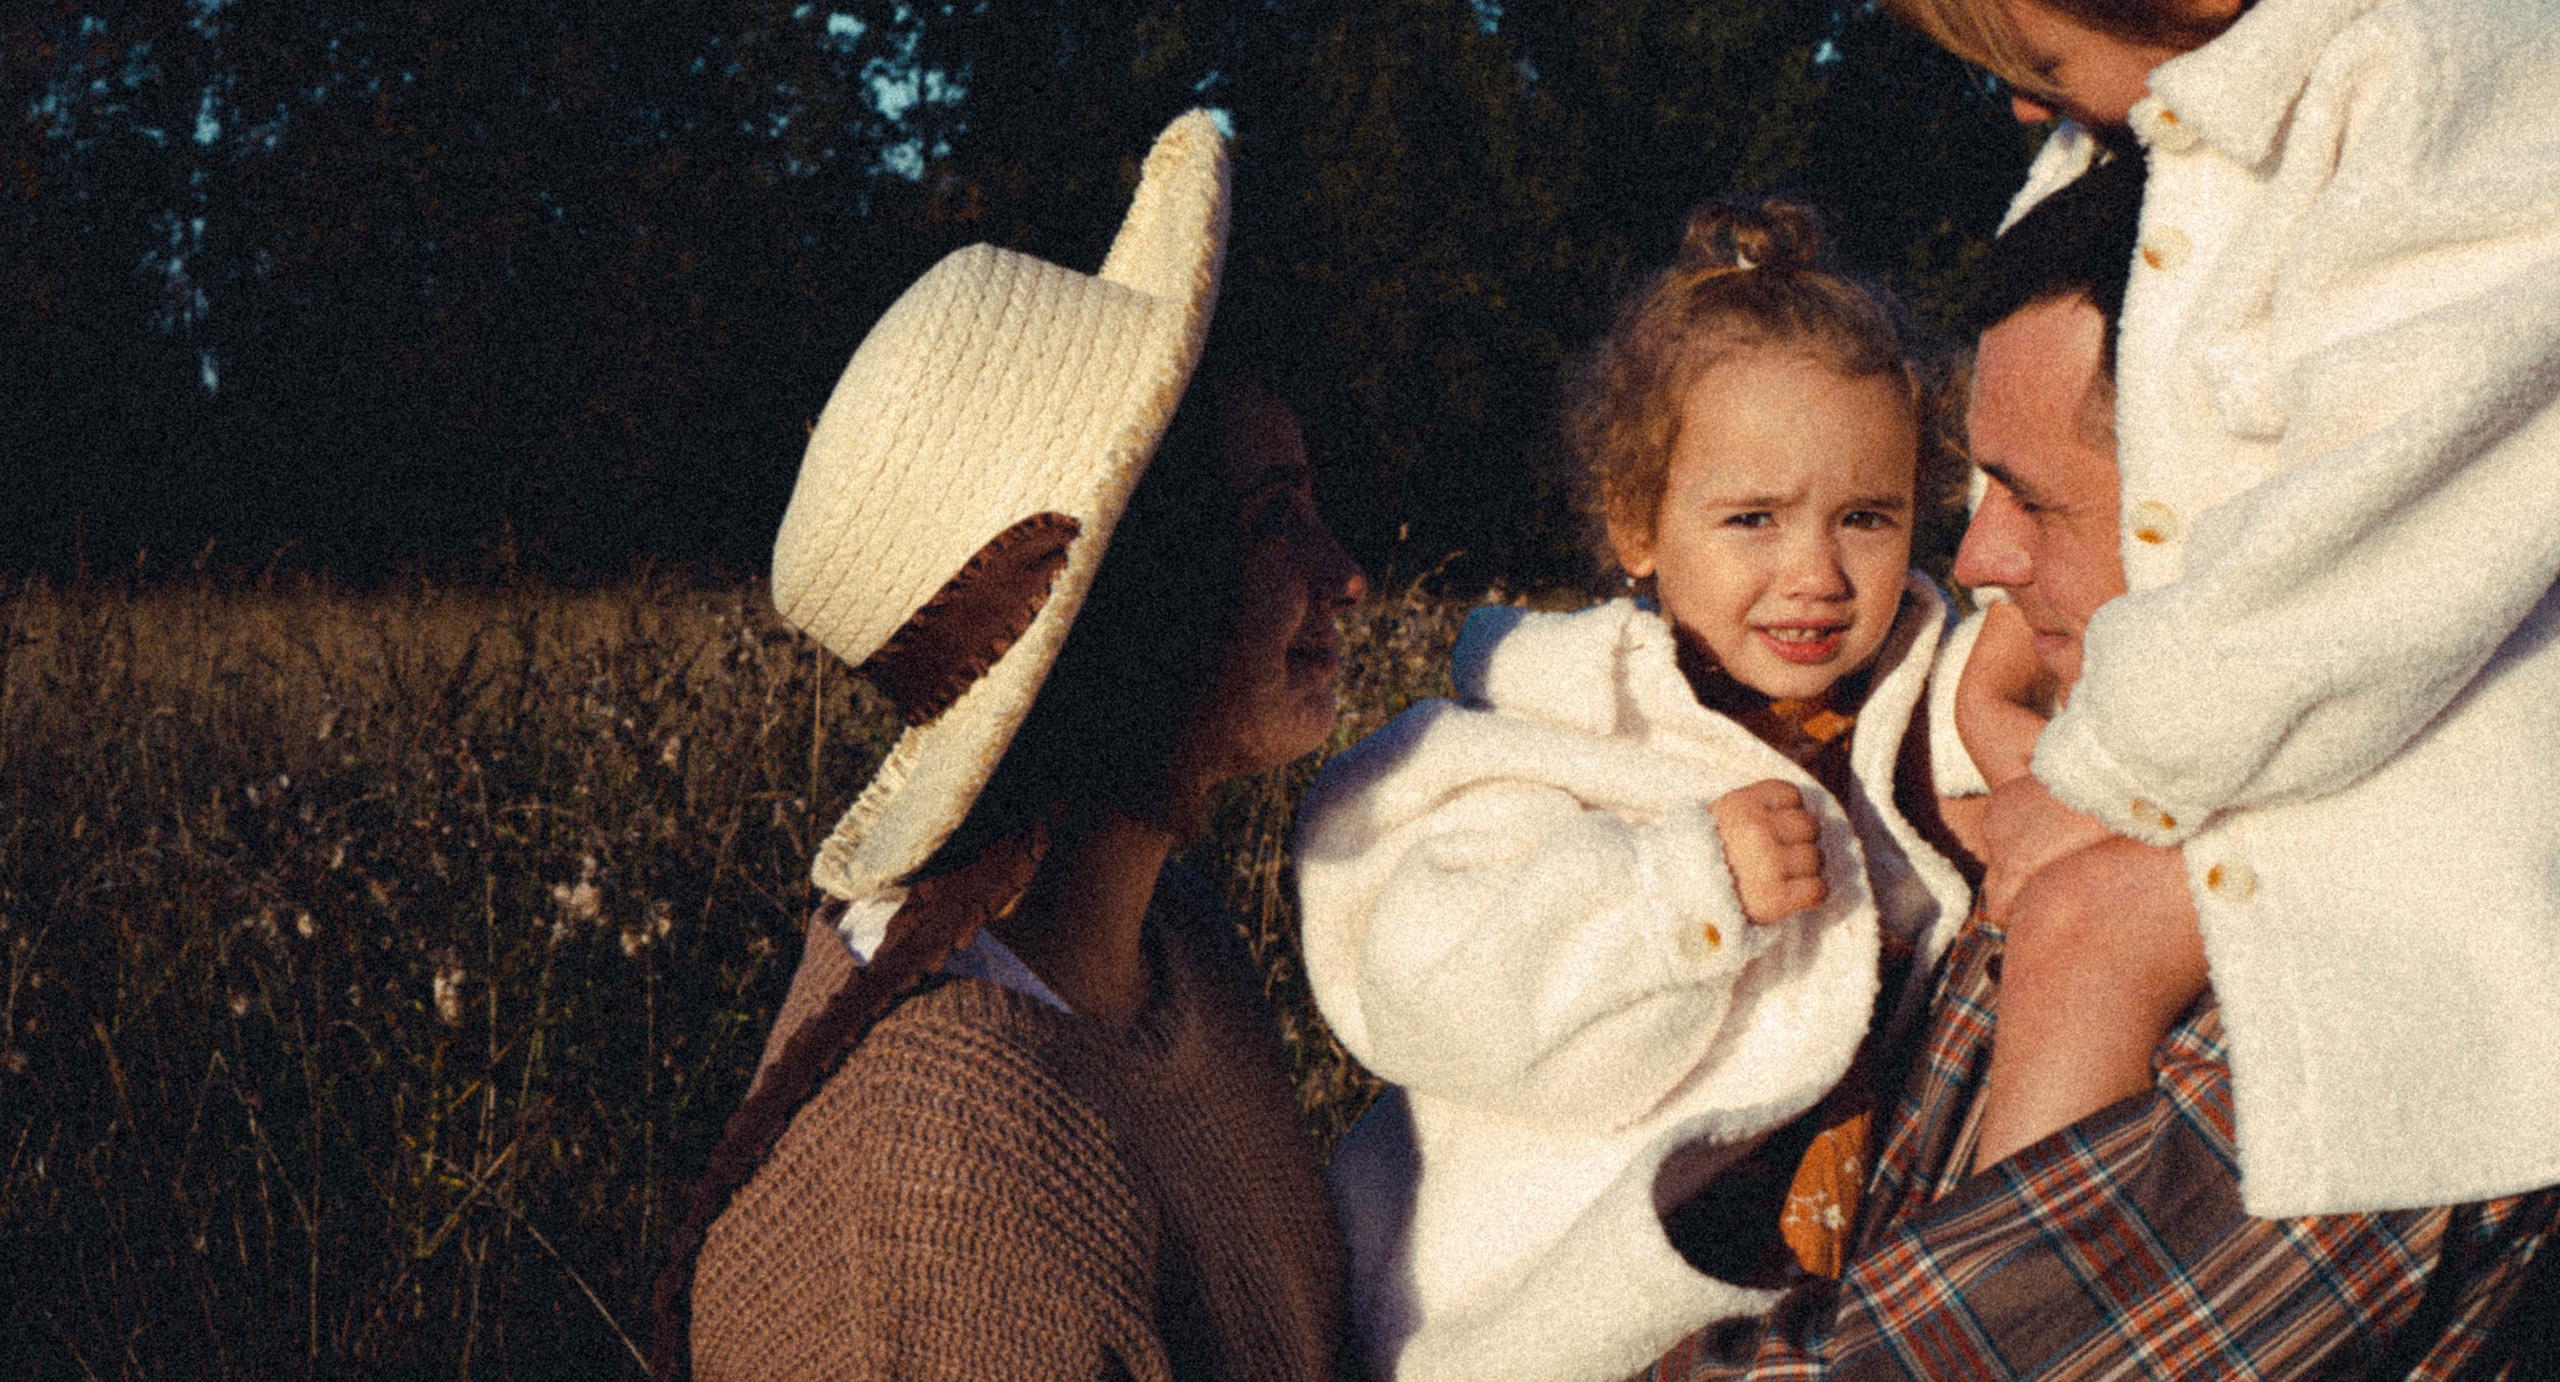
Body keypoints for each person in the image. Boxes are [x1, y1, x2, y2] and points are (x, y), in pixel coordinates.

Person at [1640, 155, 2560, 1381]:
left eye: (2036, 502)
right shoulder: (2125, 805)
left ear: (2264, 518)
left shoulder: (2361, 994)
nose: (1974, 560)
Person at [1838, 0, 2560, 1218]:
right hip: (2319, 732)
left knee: (2089, 925)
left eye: (2030, 55)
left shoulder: (2467, 82)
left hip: (2472, 786)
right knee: (2045, 917)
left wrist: (2113, 770)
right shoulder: (2218, 89)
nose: (2023, 102)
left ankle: (2000, 1299)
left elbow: (2376, 530)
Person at [646, 111, 1363, 1381]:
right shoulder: (946, 1150)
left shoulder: (1175, 942)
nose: (1343, 575)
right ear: (1132, 597)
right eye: (1273, 521)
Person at [1292, 200, 1991, 1382]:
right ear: (1637, 523)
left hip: (1800, 1294)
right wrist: (1681, 890)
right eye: (1752, 520)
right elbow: (1436, 994)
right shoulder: (1553, 739)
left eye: (1865, 518)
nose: (1814, 574)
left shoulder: (1905, 712)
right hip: (1544, 1312)